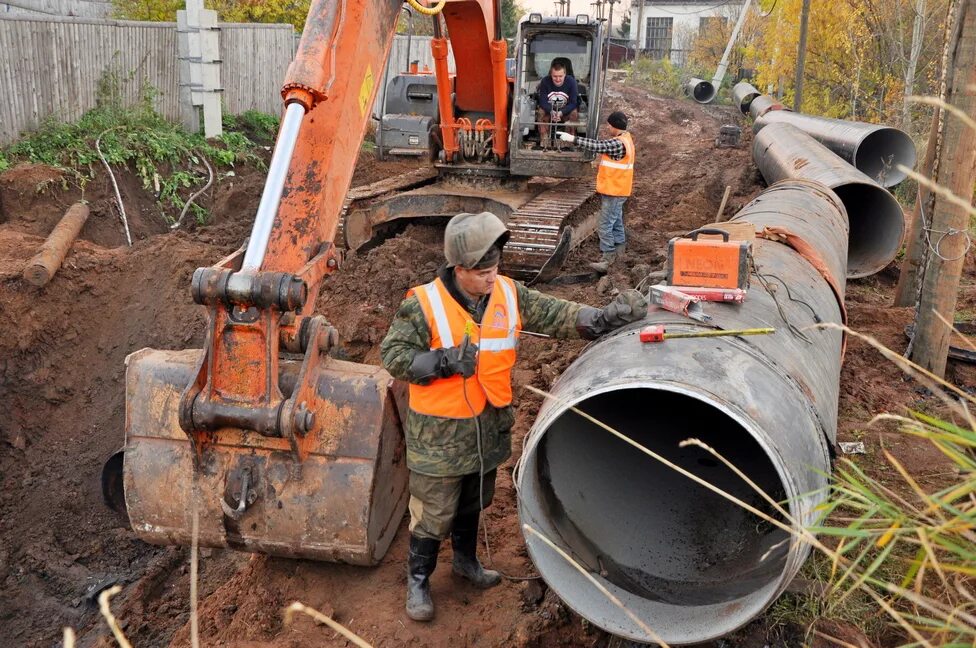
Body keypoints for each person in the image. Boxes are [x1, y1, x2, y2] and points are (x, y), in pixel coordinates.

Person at [380, 211, 648, 622]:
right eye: (482, 272)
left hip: (487, 428)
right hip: (438, 437)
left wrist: (600, 319)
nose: (492, 277)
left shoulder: (507, 293)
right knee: (433, 513)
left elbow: (554, 314)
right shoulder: (423, 304)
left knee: (473, 502)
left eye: (495, 268)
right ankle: (419, 581)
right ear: (459, 269)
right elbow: (394, 357)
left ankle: (466, 563)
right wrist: (443, 361)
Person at [558, 110, 635, 273]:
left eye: (609, 125)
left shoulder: (618, 144)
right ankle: (620, 254)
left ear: (615, 126)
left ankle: (608, 259)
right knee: (616, 222)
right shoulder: (626, 139)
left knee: (604, 225)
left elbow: (598, 146)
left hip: (615, 191)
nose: (608, 127)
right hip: (617, 190)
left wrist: (573, 139)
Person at [535, 60, 579, 145]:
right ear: (551, 74)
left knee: (574, 113)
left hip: (565, 110)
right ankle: (544, 140)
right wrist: (552, 112)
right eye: (555, 76)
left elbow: (573, 103)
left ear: (565, 74)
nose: (558, 79)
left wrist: (561, 113)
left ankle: (568, 141)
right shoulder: (545, 81)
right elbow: (543, 102)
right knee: (540, 112)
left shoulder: (571, 82)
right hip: (549, 110)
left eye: (560, 76)